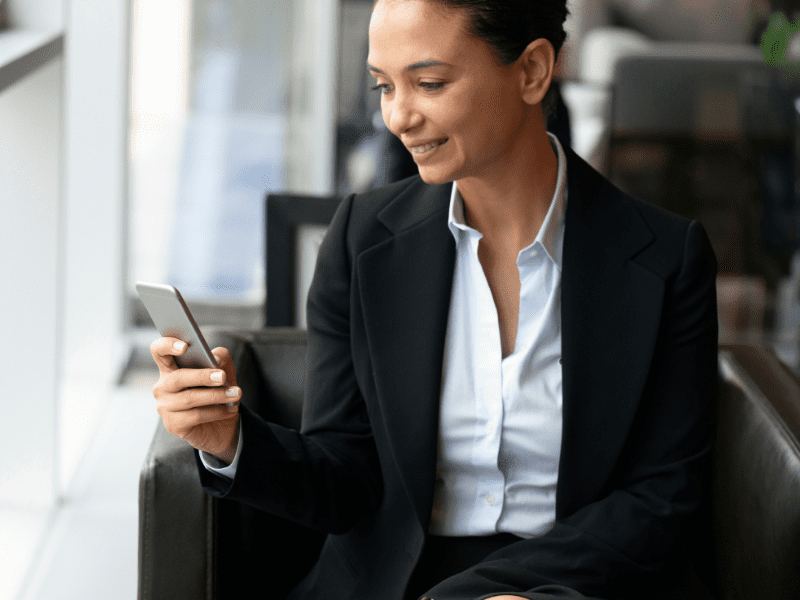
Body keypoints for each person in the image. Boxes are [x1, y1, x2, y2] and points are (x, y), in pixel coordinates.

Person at [149, 1, 719, 599]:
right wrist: (229, 440)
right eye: (382, 86)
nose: (397, 117)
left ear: (532, 71)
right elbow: (345, 475)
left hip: (575, 582)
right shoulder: (360, 241)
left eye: (429, 84)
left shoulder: (665, 258)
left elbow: (662, 496)